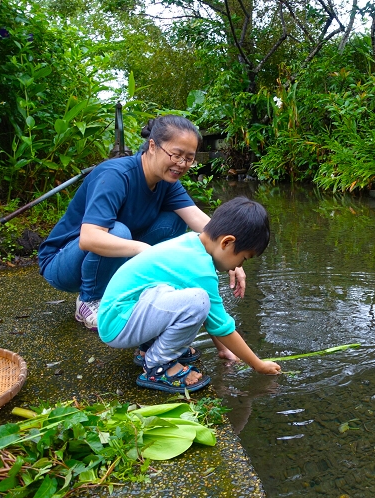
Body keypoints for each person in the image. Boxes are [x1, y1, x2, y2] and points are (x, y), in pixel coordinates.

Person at [37, 115, 246, 360]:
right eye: (176, 154)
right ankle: (89, 300)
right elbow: (89, 239)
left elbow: (206, 228)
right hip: (63, 263)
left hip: (111, 255)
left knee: (175, 220)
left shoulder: (167, 183)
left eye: (189, 158)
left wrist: (232, 256)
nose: (182, 163)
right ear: (153, 146)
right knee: (118, 232)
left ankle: (138, 288)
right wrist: (143, 249)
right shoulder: (116, 175)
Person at [97, 196, 282, 393]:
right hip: (119, 325)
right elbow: (221, 325)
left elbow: (213, 318)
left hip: (121, 314)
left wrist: (223, 349)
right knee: (197, 301)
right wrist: (257, 364)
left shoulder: (192, 242)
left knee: (192, 299)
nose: (238, 266)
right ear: (227, 242)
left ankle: (150, 348)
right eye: (243, 258)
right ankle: (159, 366)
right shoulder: (200, 268)